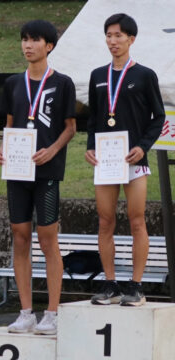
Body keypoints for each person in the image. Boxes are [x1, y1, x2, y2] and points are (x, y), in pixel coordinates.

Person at [0, 19, 76, 335]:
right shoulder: (13, 83)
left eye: (35, 40)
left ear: (49, 46)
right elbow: (11, 123)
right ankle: (25, 311)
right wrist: (3, 148)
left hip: (48, 171)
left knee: (47, 237)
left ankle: (52, 313)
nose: (28, 45)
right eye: (24, 39)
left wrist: (52, 150)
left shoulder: (63, 83)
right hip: (18, 169)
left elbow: (70, 127)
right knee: (19, 233)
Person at [85, 13, 165, 307]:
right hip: (105, 160)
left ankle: (136, 285)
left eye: (118, 35)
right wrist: (90, 146)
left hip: (133, 159)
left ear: (131, 39)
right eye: (109, 35)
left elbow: (159, 118)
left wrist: (143, 147)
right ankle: (110, 284)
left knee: (136, 221)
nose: (113, 41)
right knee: (105, 221)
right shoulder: (97, 76)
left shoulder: (144, 75)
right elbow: (93, 118)